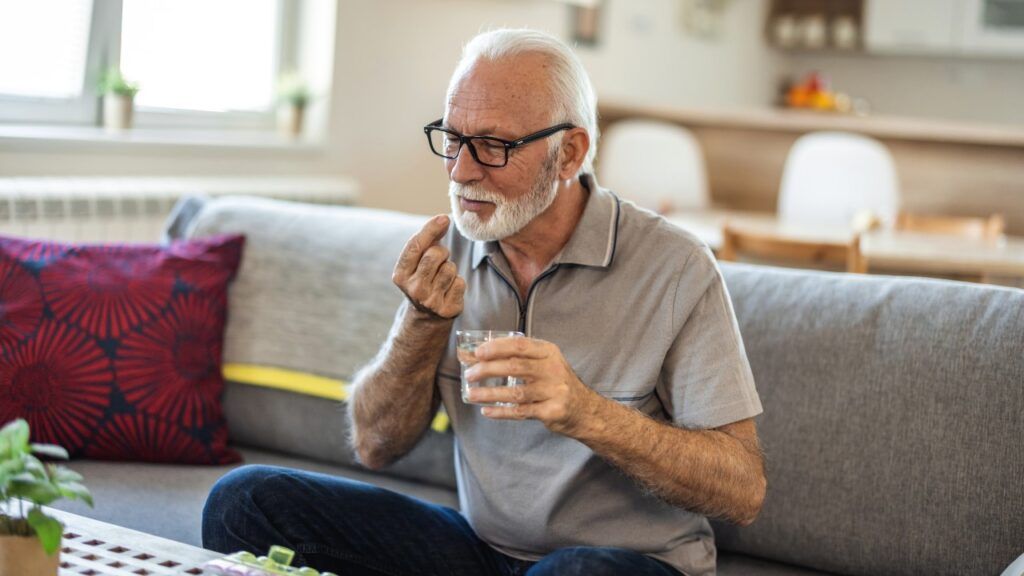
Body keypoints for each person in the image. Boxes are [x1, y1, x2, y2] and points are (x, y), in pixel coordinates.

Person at [202, 28, 765, 576]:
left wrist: (584, 411)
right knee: (245, 501)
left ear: (569, 154)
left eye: (493, 145)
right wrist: (421, 324)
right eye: (452, 139)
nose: (461, 170)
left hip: (627, 561)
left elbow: (742, 489)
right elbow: (375, 446)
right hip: (479, 550)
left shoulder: (675, 267)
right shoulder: (451, 245)